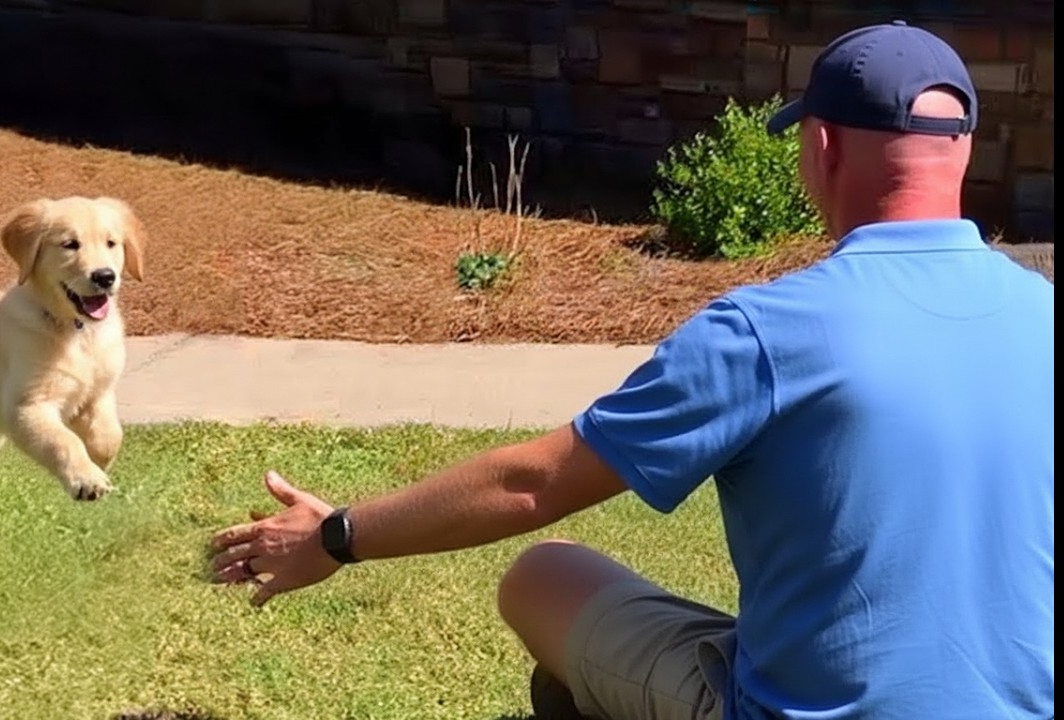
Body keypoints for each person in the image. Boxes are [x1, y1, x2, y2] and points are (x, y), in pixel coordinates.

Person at [209, 21, 1054, 720]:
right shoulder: (1042, 314)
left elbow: (531, 485)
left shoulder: (765, 332)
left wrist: (335, 536)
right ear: (964, 151)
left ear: (824, 147)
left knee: (546, 574)